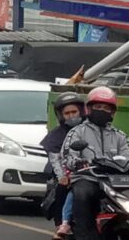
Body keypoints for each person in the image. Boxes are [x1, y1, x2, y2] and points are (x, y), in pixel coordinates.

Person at [63, 87, 129, 239]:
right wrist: (80, 163)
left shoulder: (119, 136)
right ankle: (85, 234)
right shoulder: (77, 132)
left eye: (106, 108)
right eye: (98, 107)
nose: (102, 110)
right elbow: (68, 157)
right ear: (89, 109)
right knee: (83, 192)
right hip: (90, 178)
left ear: (112, 112)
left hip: (117, 181)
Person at [41, 92, 85, 239]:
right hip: (66, 173)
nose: (71, 116)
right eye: (67, 113)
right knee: (61, 189)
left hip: (90, 172)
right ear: (61, 115)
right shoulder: (56, 135)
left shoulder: (90, 129)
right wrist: (62, 176)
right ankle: (61, 224)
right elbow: (54, 158)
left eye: (74, 112)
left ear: (82, 111)